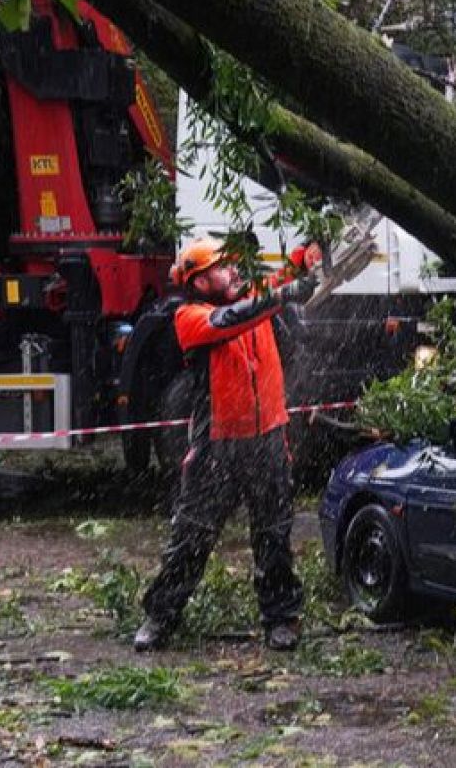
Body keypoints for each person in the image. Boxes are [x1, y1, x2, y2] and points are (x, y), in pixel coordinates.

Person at [134, 237, 321, 653]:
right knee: (192, 537)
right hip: (216, 448)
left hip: (268, 438)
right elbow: (238, 317)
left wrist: (305, 254)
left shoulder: (253, 293)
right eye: (224, 267)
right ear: (199, 281)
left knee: (273, 535)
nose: (234, 271)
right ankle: (160, 616)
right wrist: (281, 296)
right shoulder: (190, 317)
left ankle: (281, 618)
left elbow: (282, 279)